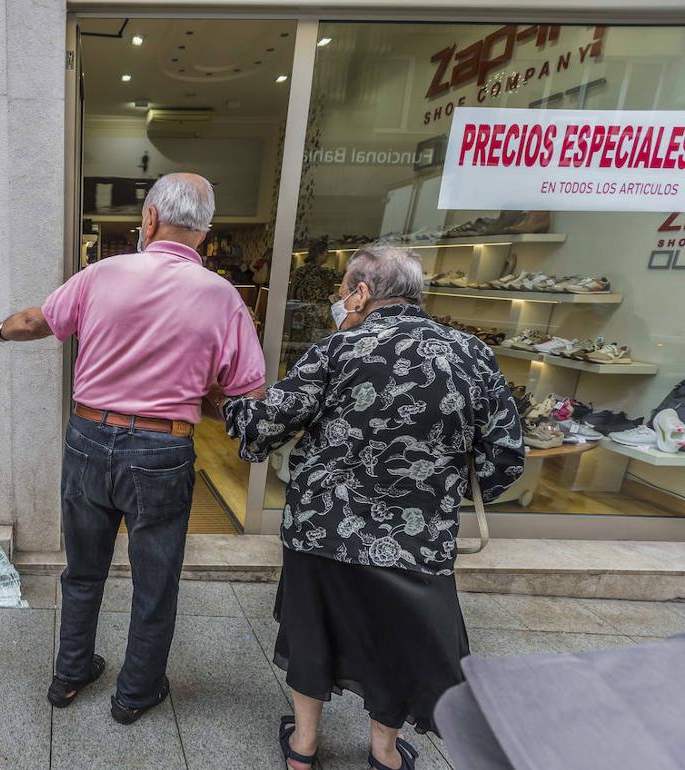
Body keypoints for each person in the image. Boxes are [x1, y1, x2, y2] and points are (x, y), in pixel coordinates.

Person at [214, 245, 525, 770]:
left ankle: (304, 745)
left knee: (312, 634)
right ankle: (384, 751)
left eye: (343, 291)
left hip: (323, 529)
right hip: (417, 536)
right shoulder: (471, 353)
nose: (340, 301)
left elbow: (265, 427)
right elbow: (505, 459)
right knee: (398, 644)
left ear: (362, 292)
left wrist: (227, 400)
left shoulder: (338, 349)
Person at [0, 172, 265, 724]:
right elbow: (245, 394)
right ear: (204, 233)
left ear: (150, 219)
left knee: (83, 571)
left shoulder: (101, 274)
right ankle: (134, 693)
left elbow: (38, 321)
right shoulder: (223, 297)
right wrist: (189, 396)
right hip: (163, 451)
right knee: (155, 582)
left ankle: (69, 673)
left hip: (88, 439)